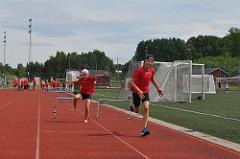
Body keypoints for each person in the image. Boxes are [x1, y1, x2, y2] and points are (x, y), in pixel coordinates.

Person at [130, 54, 163, 136]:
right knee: (136, 111)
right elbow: (131, 82)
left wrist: (158, 88)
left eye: (151, 62)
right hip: (136, 92)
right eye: (148, 61)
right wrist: (138, 91)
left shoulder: (152, 70)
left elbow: (152, 79)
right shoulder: (139, 71)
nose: (150, 63)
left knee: (146, 107)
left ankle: (144, 129)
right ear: (145, 61)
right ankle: (133, 107)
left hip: (145, 91)